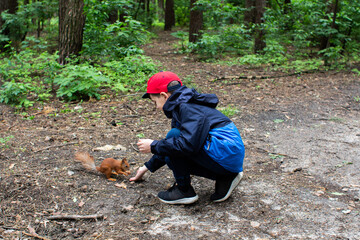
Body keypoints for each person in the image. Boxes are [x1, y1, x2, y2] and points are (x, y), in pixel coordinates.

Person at [129, 71, 245, 204]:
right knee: (172, 143)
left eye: (155, 102)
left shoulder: (187, 108)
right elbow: (175, 144)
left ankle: (184, 190)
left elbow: (185, 145)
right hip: (228, 157)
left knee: (173, 137)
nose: (156, 107)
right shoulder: (184, 104)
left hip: (225, 154)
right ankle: (227, 177)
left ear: (163, 95)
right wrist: (147, 167)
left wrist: (153, 145)